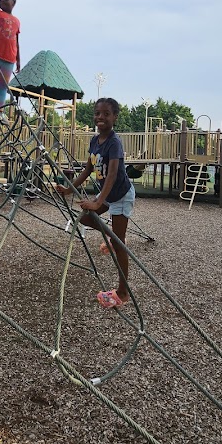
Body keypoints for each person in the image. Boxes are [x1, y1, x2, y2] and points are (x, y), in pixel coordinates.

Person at [56, 97, 135, 308]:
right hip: (108, 196)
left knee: (120, 247)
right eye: (97, 113)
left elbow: (112, 174)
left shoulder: (114, 143)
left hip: (120, 196)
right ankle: (114, 238)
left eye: (106, 114)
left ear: (115, 117)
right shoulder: (94, 140)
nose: (100, 117)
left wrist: (98, 200)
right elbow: (89, 169)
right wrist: (68, 189)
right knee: (85, 218)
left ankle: (123, 292)